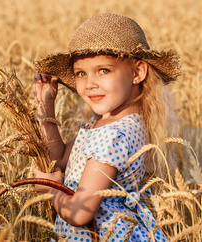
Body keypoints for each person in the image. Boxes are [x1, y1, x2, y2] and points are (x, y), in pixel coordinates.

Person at [30, 13, 181, 241]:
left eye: (104, 70)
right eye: (81, 73)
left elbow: (80, 212)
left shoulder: (113, 135)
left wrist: (51, 190)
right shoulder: (110, 124)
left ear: (137, 72)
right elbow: (59, 160)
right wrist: (46, 106)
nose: (90, 84)